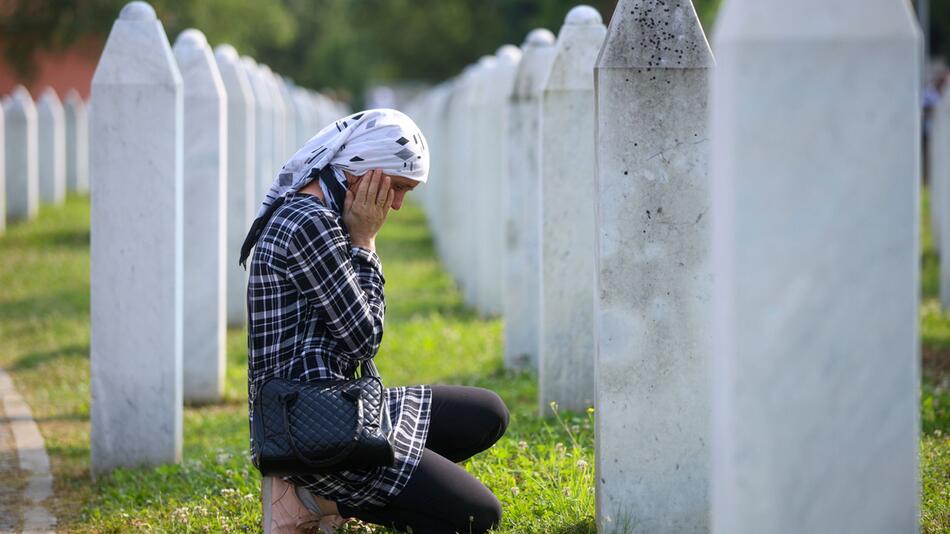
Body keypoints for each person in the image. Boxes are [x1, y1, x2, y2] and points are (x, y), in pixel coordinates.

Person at [240, 108, 510, 534]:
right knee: (479, 515)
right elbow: (363, 340)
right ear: (363, 172)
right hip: (313, 430)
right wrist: (365, 241)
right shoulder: (309, 222)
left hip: (336, 400)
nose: (399, 204)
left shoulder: (321, 212)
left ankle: (317, 497)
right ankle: (311, 490)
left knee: (488, 413)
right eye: (398, 187)